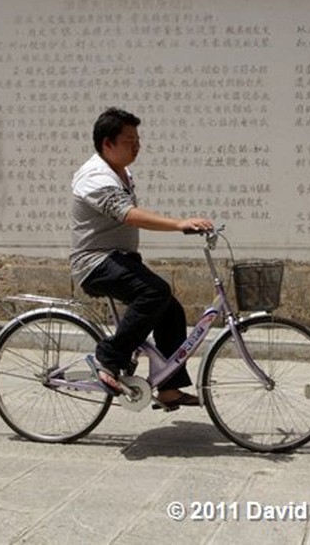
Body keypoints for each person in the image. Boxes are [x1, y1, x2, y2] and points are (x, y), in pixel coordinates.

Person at [70, 107, 213, 410]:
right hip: (94, 263)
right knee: (154, 291)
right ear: (107, 144)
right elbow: (129, 215)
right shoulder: (95, 177)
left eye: (137, 140)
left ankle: (168, 387)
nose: (136, 146)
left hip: (118, 259)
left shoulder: (122, 173)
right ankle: (108, 358)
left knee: (169, 308)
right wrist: (178, 224)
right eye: (128, 141)